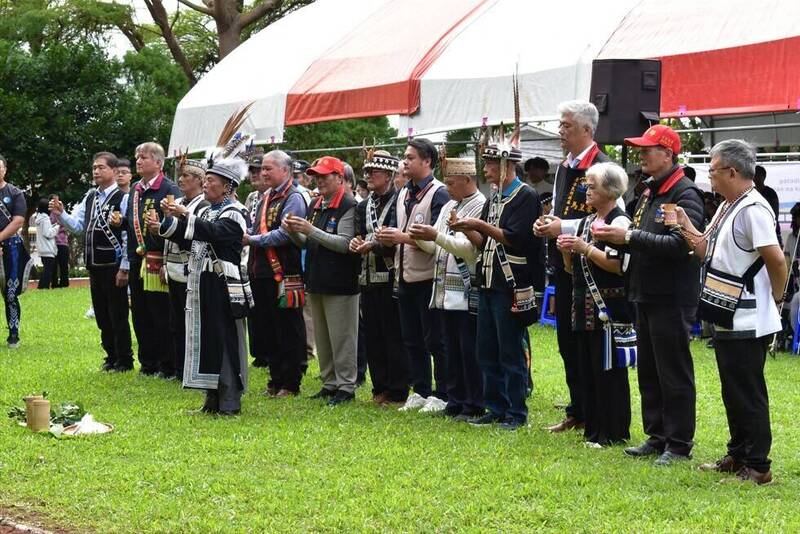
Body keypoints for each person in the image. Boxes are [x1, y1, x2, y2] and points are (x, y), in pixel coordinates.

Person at [593, 124, 704, 466]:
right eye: (640, 149)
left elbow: (679, 245)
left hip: (671, 296)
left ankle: (679, 443)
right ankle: (657, 436)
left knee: (673, 371)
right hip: (645, 293)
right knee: (650, 371)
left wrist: (628, 238)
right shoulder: (648, 191)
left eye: (648, 149)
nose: (642, 155)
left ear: (668, 154)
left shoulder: (684, 194)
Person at [676, 139, 785, 485]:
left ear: (732, 172)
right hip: (726, 313)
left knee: (747, 391)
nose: (709, 176)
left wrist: (777, 300)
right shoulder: (728, 206)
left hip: (748, 317)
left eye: (712, 169)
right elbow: (705, 251)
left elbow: (777, 259)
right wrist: (683, 223)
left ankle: (758, 465)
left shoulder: (753, 209)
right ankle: (738, 454)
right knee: (732, 389)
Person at [450, 124, 540, 430]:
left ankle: (516, 412)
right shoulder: (495, 197)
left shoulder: (525, 196)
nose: (485, 170)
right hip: (487, 282)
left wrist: (478, 224)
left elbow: (514, 238)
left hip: (510, 285)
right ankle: (496, 406)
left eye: (489, 164)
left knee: (510, 351)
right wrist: (465, 227)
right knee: (486, 349)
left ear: (506, 165)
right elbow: (485, 241)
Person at [159, 133, 251, 415]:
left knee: (224, 341)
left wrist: (186, 216)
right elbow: (194, 241)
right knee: (208, 340)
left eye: (211, 181)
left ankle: (229, 402)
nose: (206, 184)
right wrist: (167, 222)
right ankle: (211, 401)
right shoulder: (209, 212)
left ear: (227, 186)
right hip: (205, 282)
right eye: (207, 180)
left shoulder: (235, 212)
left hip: (223, 285)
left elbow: (216, 235)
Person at [533, 100, 609, 433]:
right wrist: (548, 222)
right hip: (562, 264)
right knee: (566, 339)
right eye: (559, 125)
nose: (560, 131)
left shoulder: (603, 167)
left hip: (591, 266)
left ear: (587, 130)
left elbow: (604, 218)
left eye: (566, 125)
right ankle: (577, 409)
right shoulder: (564, 166)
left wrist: (560, 227)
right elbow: (565, 212)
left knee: (586, 342)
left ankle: (594, 410)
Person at [556, 162, 632, 446]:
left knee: (608, 372)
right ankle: (594, 428)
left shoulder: (619, 222)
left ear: (610, 190)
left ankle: (613, 432)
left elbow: (618, 266)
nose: (587, 191)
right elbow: (571, 269)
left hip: (607, 309)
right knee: (587, 370)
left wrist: (584, 248)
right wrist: (567, 252)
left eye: (592, 186)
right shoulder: (587, 222)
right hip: (582, 307)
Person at [409, 155, 486, 419]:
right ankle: (454, 400)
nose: (448, 188)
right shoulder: (448, 206)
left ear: (467, 180)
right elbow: (436, 246)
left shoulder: (479, 206)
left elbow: (471, 250)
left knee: (468, 350)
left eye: (452, 183)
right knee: (449, 348)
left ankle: (473, 403)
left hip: (466, 290)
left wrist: (436, 236)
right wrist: (418, 238)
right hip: (443, 290)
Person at [375, 138, 450, 410]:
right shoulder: (404, 192)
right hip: (404, 276)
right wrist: (386, 237)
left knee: (435, 339)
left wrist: (402, 237)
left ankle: (441, 394)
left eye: (410, 157)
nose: (404, 162)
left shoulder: (439, 193)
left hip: (429, 277)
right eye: (404, 157)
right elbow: (397, 226)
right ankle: (419, 389)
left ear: (427, 161)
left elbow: (440, 238)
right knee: (411, 338)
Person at [284, 156, 361, 406]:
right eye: (316, 176)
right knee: (324, 337)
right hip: (317, 278)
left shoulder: (348, 204)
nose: (319, 181)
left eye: (325, 176)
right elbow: (307, 242)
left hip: (341, 281)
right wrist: (292, 231)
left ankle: (346, 386)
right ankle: (329, 383)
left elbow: (345, 243)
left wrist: (309, 230)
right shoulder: (316, 204)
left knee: (342, 337)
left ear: (339, 178)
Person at [51, 151, 133, 371]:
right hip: (94, 265)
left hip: (114, 265)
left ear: (114, 172)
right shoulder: (90, 197)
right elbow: (77, 226)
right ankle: (111, 356)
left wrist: (125, 266)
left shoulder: (123, 198)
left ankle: (124, 359)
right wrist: (61, 214)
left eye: (101, 167)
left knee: (117, 314)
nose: (96, 171)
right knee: (102, 315)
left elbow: (127, 235)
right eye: (94, 168)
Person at [244, 150, 307, 397]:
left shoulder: (295, 197)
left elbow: (284, 233)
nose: (263, 173)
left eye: (269, 168)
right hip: (261, 271)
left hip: (284, 271)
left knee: (288, 327)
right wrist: (248, 235)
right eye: (262, 169)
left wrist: (251, 239)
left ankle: (291, 382)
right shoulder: (265, 196)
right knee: (267, 328)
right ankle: (276, 377)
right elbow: (253, 225)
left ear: (285, 170)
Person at [350, 149, 409, 405]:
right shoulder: (364, 205)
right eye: (366, 172)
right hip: (367, 277)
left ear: (388, 175)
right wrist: (356, 243)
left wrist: (374, 245)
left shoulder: (400, 201)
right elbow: (359, 234)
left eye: (374, 172)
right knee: (372, 336)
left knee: (393, 335)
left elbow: (399, 239)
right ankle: (379, 387)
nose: (368, 177)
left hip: (391, 276)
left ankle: (398, 389)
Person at [117, 142, 181, 377]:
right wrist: (120, 223)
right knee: (140, 313)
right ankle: (148, 362)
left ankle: (168, 365)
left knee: (161, 314)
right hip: (137, 258)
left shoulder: (169, 188)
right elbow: (132, 222)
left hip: (158, 258)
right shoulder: (136, 188)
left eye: (143, 157)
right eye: (137, 157)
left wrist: (167, 261)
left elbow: (176, 226)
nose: (139, 161)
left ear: (158, 162)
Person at [158, 157, 209, 381]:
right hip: (174, 269)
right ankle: (179, 368)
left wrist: (178, 217)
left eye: (187, 176)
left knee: (191, 323)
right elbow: (169, 237)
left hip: (192, 270)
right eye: (181, 175)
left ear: (199, 180)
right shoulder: (179, 201)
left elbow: (197, 238)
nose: (181, 179)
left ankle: (190, 368)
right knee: (176, 323)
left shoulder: (203, 205)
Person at [0, 154, 32, 348]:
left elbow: (18, 221)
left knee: (10, 293)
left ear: (5, 169)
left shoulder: (15, 192)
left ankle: (13, 334)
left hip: (11, 248)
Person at [31, 198, 58, 289]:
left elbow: (45, 231)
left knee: (46, 269)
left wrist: (53, 226)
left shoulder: (39, 218)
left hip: (43, 249)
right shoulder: (45, 219)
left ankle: (41, 286)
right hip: (48, 248)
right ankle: (44, 287)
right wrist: (57, 227)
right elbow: (48, 233)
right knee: (48, 270)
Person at [754, 165, 782, 246]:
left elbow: (775, 213)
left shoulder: (771, 193)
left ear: (764, 176)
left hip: (771, 230)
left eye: (758, 175)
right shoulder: (751, 192)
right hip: (755, 230)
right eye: (755, 174)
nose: (756, 177)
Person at [50, 199, 70, 288]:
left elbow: (67, 225)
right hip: (52, 243)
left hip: (63, 243)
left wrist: (58, 225)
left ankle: (64, 283)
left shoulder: (63, 214)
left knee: (63, 265)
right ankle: (54, 283)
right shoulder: (49, 215)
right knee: (53, 265)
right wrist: (58, 226)